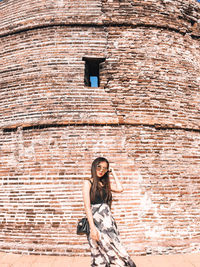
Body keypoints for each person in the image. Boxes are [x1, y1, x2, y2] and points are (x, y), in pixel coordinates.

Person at [82, 157, 136, 267]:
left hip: (109, 225)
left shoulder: (104, 185)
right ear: (94, 166)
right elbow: (87, 207)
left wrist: (113, 173)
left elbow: (120, 188)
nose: (101, 170)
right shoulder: (88, 183)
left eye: (105, 168)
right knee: (98, 253)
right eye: (99, 167)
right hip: (96, 225)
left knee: (116, 249)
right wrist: (92, 228)